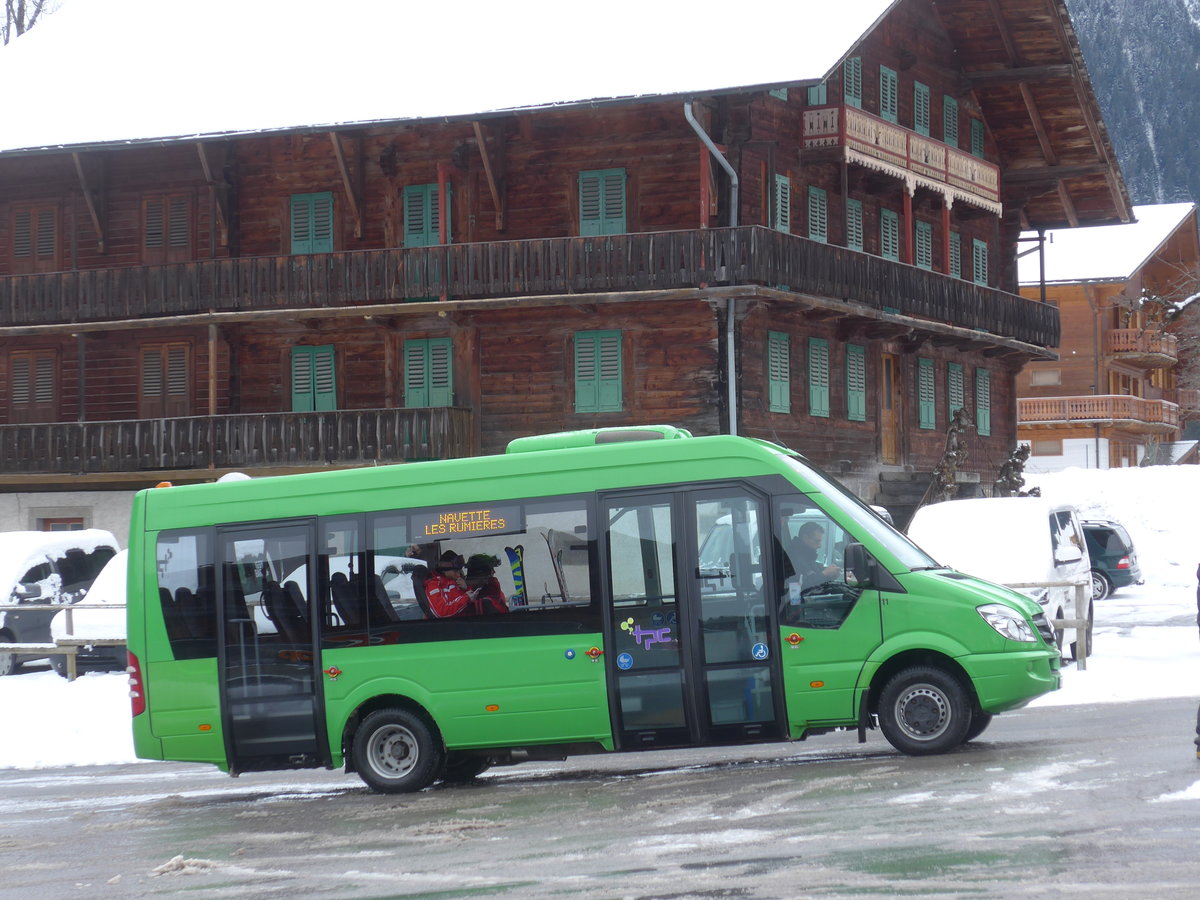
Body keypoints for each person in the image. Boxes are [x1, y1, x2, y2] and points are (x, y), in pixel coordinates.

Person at [787, 522, 841, 590]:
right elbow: (800, 585)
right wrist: (824, 574)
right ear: (805, 537)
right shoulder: (793, 557)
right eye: (817, 541)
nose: (820, 545)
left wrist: (829, 575)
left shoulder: (807, 556)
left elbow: (814, 576)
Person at [422, 551, 475, 618]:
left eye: (459, 570)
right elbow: (441, 612)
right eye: (455, 571)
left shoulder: (455, 581)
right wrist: (467, 598)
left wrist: (466, 589)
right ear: (444, 570)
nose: (459, 574)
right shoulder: (433, 585)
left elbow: (468, 603)